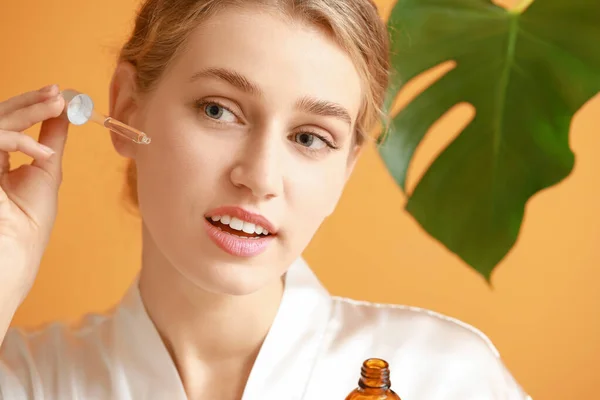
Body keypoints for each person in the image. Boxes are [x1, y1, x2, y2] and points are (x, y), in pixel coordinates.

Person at [0, 0, 531, 399]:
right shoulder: (28, 379)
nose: (259, 177)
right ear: (127, 106)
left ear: (346, 167)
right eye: (218, 110)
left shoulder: (446, 376)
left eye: (309, 138)